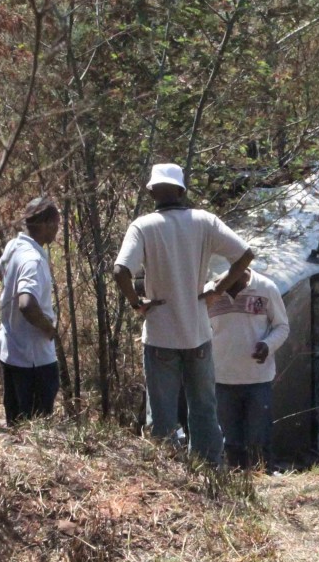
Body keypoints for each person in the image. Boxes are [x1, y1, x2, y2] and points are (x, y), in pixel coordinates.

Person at [114, 164, 255, 465]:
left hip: (161, 335)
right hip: (198, 332)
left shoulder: (144, 226)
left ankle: (169, 474)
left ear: (152, 191)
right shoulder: (204, 221)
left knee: (163, 414)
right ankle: (210, 471)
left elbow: (120, 270)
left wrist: (136, 301)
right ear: (181, 190)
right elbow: (245, 256)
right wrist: (218, 288)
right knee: (204, 407)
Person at [206, 266, 289, 470]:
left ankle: (264, 474)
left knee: (259, 436)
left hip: (258, 378)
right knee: (230, 438)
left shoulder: (266, 288)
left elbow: (282, 326)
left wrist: (268, 345)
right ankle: (236, 478)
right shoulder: (211, 292)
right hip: (222, 378)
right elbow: (201, 328)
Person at [0, 196, 62, 425]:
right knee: (35, 426)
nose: (57, 230)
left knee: (16, 424)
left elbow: (1, 270)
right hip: (33, 359)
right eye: (56, 224)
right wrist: (49, 328)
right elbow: (26, 304)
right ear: (45, 224)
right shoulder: (32, 260)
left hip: (11, 350)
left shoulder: (14, 247)